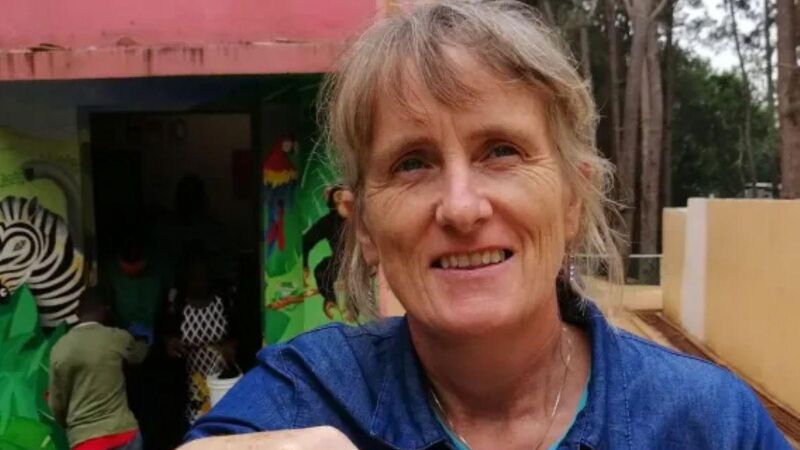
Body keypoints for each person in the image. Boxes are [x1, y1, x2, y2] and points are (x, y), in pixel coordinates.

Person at [181, 1, 791, 449]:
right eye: (412, 163)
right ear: (363, 226)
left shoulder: (710, 422)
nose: (462, 207)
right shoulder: (309, 393)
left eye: (502, 151)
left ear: (572, 199)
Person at [48, 284, 148, 450]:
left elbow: (56, 404)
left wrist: (72, 427)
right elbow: (138, 356)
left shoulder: (59, 348)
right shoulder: (116, 337)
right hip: (123, 433)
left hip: (86, 441)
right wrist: (144, 338)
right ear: (106, 311)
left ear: (77, 313)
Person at [162, 246, 238, 426]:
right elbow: (164, 335)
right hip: (189, 381)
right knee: (196, 425)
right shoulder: (177, 301)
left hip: (220, 379)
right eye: (194, 279)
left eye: (204, 278)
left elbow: (239, 332)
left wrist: (231, 347)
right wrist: (171, 344)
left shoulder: (224, 298)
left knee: (222, 422)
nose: (200, 284)